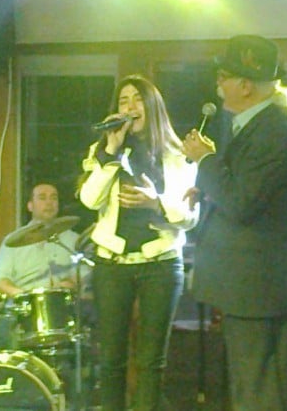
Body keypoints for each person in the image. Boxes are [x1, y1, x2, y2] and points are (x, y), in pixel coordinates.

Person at [183, 35, 287, 411]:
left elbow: (241, 203)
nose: (218, 84)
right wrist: (206, 191)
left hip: (261, 290)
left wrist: (204, 160)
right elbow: (248, 192)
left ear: (245, 85)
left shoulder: (275, 131)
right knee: (249, 389)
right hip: (249, 289)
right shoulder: (254, 126)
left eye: (223, 77)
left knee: (262, 393)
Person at [78, 74, 199, 411]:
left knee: (150, 361)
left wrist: (155, 203)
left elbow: (190, 217)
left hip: (160, 264)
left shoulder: (178, 154)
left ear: (152, 105)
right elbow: (89, 200)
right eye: (123, 101)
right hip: (112, 264)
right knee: (111, 359)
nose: (130, 107)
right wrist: (111, 153)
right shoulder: (102, 152)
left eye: (137, 99)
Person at [0, 182, 79, 296]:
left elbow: (83, 274)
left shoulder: (73, 239)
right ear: (30, 206)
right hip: (23, 301)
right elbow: (0, 280)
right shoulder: (12, 241)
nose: (49, 203)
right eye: (42, 198)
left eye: (53, 198)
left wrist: (70, 283)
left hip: (63, 300)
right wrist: (24, 297)